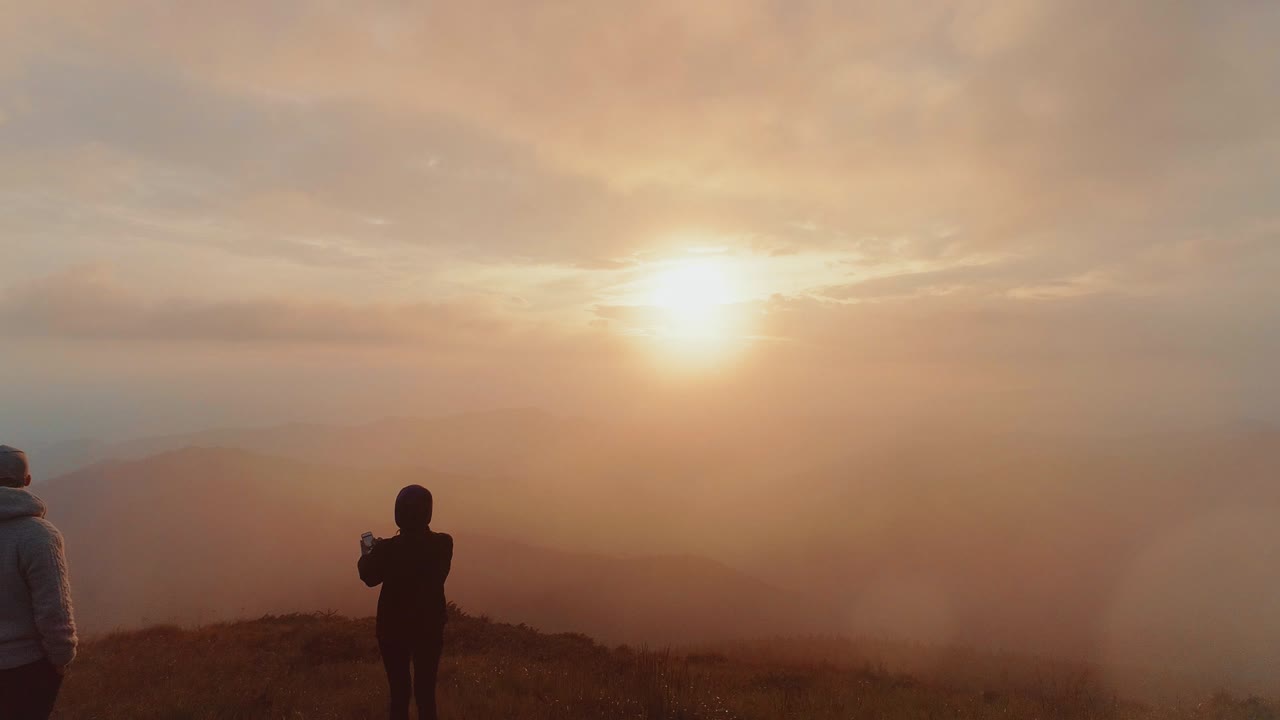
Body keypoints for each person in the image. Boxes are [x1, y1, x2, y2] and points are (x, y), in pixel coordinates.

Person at [359, 485, 453, 720]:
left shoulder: (387, 549)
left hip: (392, 629)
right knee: (426, 695)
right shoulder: (443, 544)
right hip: (429, 627)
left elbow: (369, 577)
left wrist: (368, 553)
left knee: (399, 695)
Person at [0, 446, 77, 720]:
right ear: (28, 480)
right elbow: (54, 608)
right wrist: (61, 659)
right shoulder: (40, 536)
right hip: (27, 669)